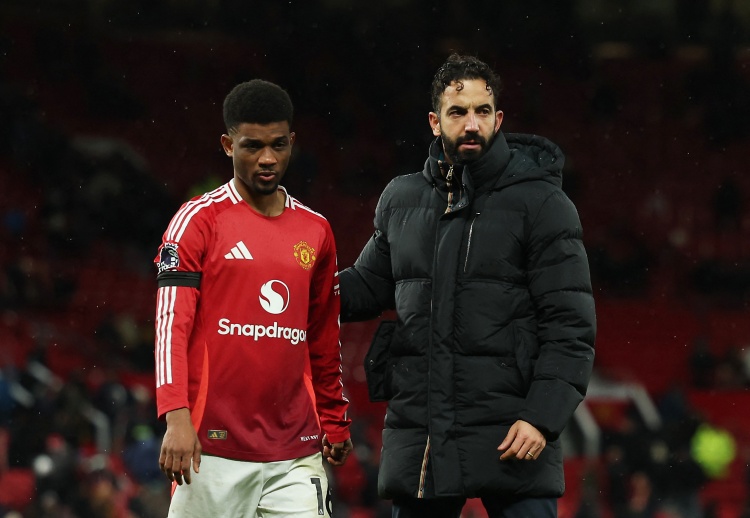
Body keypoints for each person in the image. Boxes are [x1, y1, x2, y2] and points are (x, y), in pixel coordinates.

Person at [340, 53, 596, 517]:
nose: (471, 124)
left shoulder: (543, 204)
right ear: (435, 121)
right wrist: (291, 284)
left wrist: (542, 418)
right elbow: (366, 285)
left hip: (514, 431)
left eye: (482, 111)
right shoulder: (401, 199)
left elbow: (570, 327)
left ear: (499, 119)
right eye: (458, 112)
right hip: (425, 435)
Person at [153, 79, 353, 517]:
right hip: (210, 446)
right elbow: (171, 326)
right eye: (252, 146)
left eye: (278, 145)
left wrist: (334, 418)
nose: (267, 159)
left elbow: (323, 338)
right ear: (228, 145)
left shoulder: (316, 230)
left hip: (295, 450)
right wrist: (176, 415)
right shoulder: (197, 221)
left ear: (292, 142)